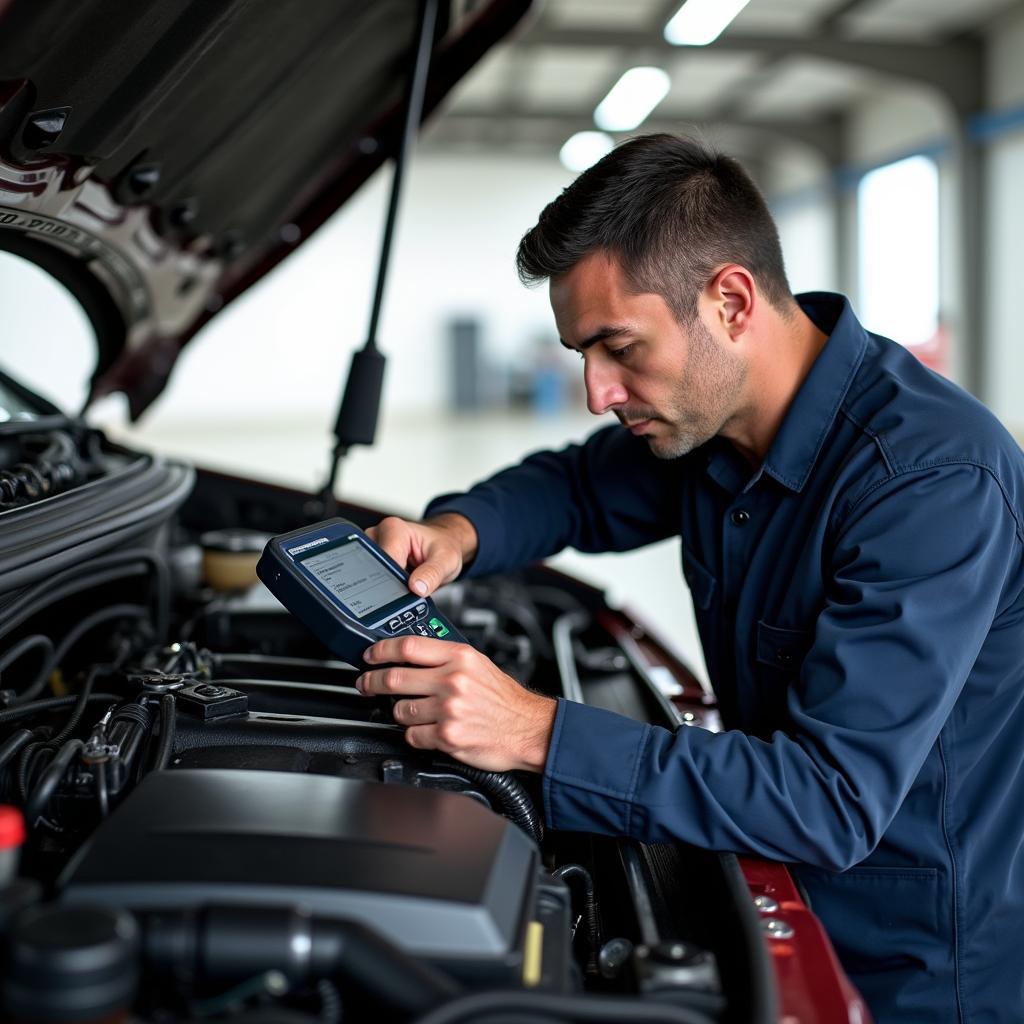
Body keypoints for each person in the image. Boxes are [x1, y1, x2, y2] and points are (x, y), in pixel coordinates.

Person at [355, 134, 1024, 1023]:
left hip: (914, 967)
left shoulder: (929, 483)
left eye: (617, 347)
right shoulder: (710, 417)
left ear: (731, 302)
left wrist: (535, 731)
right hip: (771, 881)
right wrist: (458, 532)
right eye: (581, 354)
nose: (598, 391)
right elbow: (577, 487)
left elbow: (830, 799)